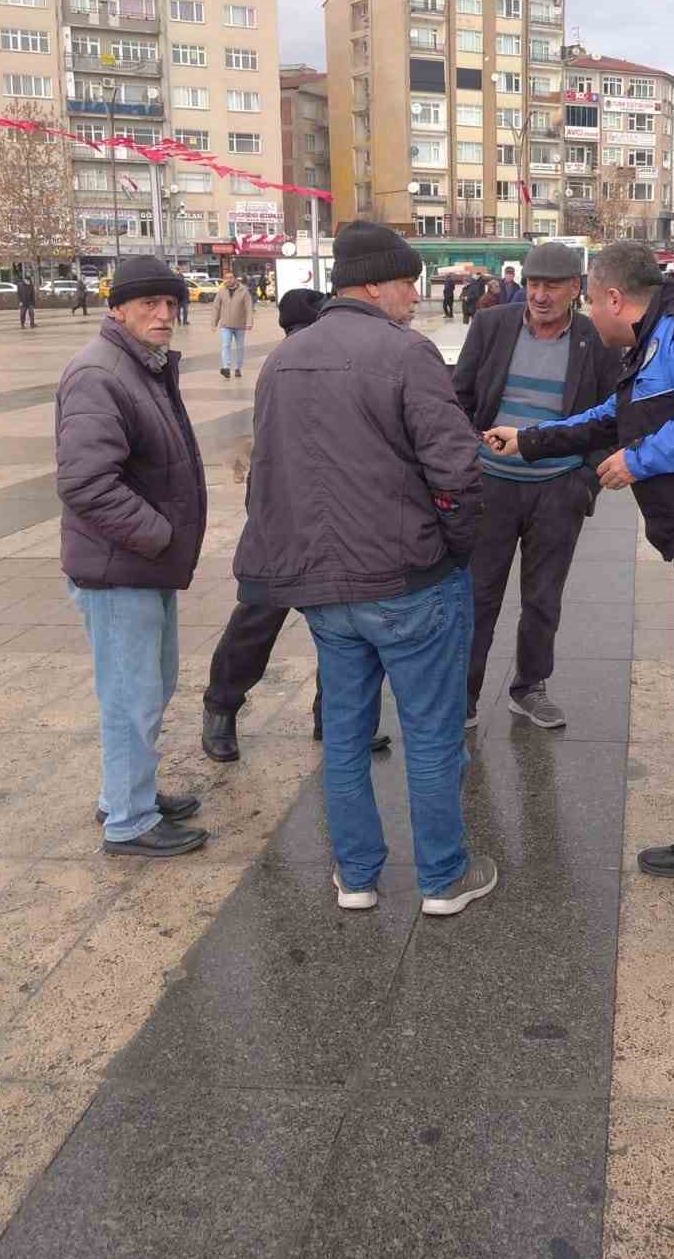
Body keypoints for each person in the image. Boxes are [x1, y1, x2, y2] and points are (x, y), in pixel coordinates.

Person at [486, 241, 674, 953]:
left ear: (611, 298)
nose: (589, 315)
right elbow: (606, 420)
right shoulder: (650, 350)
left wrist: (641, 460)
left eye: (590, 301)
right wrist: (526, 441)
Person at [233, 220, 495, 917]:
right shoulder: (406, 354)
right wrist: (457, 545)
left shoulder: (281, 360)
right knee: (433, 734)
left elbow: (266, 478)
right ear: (376, 284)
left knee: (345, 737)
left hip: (323, 590)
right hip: (408, 582)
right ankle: (442, 878)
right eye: (409, 282)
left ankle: (355, 877)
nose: (417, 295)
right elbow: (458, 469)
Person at [57, 256, 208, 857]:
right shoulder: (101, 373)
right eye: (149, 303)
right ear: (117, 307)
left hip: (141, 566)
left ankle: (128, 791)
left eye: (170, 304)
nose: (164, 314)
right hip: (120, 569)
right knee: (130, 697)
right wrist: (158, 535)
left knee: (150, 686)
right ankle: (128, 820)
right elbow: (86, 481)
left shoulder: (139, 367)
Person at [201, 287, 391, 762]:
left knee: (342, 627)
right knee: (258, 622)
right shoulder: (287, 365)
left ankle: (336, 720)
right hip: (282, 521)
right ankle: (220, 708)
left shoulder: (325, 360)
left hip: (333, 519)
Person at [453, 240, 621, 731]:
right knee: (478, 593)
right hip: (492, 487)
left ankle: (530, 687)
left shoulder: (595, 339)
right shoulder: (491, 325)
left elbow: (614, 414)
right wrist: (468, 456)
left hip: (557, 488)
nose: (540, 295)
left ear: (575, 289)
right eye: (533, 284)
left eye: (551, 286)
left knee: (543, 596)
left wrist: (583, 479)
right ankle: (463, 693)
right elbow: (458, 397)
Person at [211, 272, 253, 378]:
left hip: (240, 325)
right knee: (225, 345)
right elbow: (216, 308)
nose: (228, 280)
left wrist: (249, 322)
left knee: (240, 347)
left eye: (230, 278)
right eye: (226, 278)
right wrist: (214, 323)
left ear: (235, 279)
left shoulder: (244, 291)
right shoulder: (221, 291)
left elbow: (249, 308)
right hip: (225, 325)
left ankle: (238, 368)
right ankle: (226, 368)